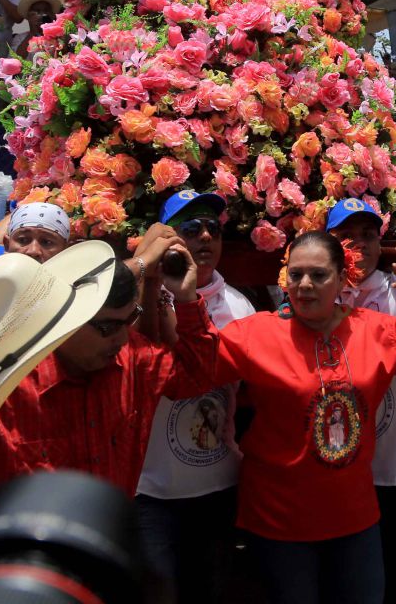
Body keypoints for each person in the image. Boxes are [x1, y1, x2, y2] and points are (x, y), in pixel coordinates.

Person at [199, 231, 396, 604]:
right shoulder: (256, 333)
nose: (304, 285)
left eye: (318, 275)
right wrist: (180, 297)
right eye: (296, 274)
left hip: (355, 519)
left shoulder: (374, 329)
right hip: (277, 520)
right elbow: (193, 370)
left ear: (342, 278)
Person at [0, 231, 215, 507]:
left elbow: (198, 377)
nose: (121, 337)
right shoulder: (3, 379)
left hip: (102, 551)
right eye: (106, 327)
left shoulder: (135, 360)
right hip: (14, 559)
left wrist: (187, 299)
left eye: (130, 320)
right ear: (66, 322)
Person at [135, 190, 253, 603]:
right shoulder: (140, 301)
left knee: (211, 591)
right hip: (151, 490)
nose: (205, 236)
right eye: (191, 228)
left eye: (214, 229)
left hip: (217, 485)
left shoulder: (240, 308)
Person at [327, 198, 396, 604]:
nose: (359, 244)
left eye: (368, 235)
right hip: (339, 461)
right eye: (346, 236)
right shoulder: (316, 294)